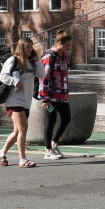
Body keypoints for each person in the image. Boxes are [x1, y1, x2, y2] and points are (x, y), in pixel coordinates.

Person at [0, 38, 41, 168]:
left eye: (31, 47)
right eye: (27, 47)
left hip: (26, 101)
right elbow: (3, 76)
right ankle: (23, 159)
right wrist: (15, 81)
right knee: (23, 128)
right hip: (13, 100)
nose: (30, 49)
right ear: (21, 47)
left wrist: (37, 61)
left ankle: (2, 152)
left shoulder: (31, 62)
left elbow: (42, 74)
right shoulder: (13, 60)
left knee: (17, 132)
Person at [37, 30, 72, 161]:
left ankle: (54, 143)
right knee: (50, 121)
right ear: (60, 43)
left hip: (61, 96)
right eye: (67, 45)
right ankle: (48, 151)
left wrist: (66, 94)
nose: (69, 48)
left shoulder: (63, 57)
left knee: (66, 118)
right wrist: (44, 98)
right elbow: (43, 77)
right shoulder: (50, 57)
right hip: (50, 98)